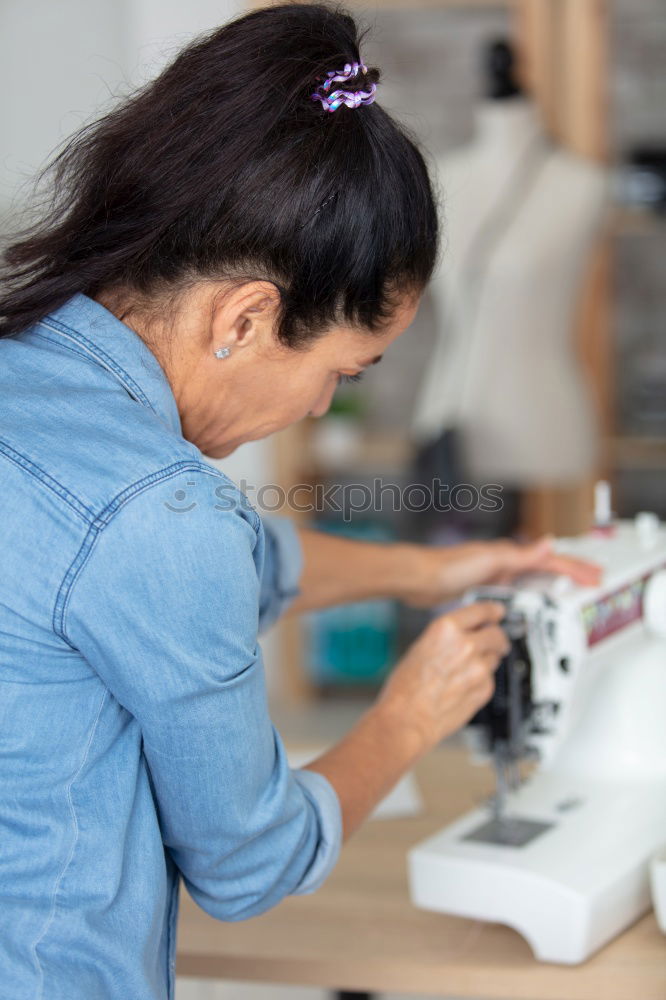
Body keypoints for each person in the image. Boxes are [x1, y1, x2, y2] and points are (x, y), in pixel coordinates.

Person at [0, 5, 599, 999]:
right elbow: (251, 862)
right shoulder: (159, 511)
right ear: (243, 316)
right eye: (341, 370)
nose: (323, 403)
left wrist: (433, 569)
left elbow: (226, 561)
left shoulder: (35, 378)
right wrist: (412, 712)